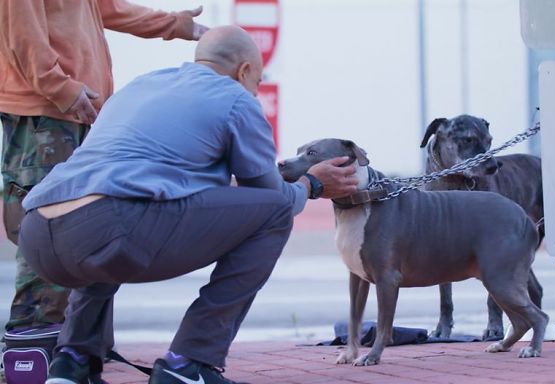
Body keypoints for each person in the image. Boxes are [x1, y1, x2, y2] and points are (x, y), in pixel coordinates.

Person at [18, 25, 359, 383]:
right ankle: (189, 364)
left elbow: (161, 181)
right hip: (108, 227)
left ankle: (72, 361)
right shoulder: (236, 98)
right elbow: (274, 198)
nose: (255, 90)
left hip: (39, 233)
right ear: (244, 71)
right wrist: (311, 183)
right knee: (272, 213)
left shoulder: (141, 85)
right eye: (257, 81)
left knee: (113, 214)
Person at [0, 0, 208, 338]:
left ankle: (77, 348)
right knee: (47, 228)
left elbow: (105, 8)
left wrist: (175, 25)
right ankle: (30, 350)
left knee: (84, 228)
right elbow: (21, 35)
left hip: (76, 109)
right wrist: (61, 88)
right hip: (45, 113)